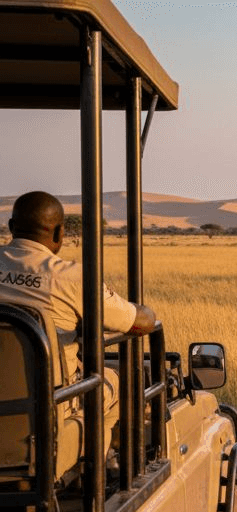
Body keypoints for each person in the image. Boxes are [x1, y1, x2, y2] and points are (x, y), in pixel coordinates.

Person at [1, 191, 156, 471]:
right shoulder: (71, 277)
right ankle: (98, 469)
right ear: (60, 232)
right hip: (47, 411)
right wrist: (146, 312)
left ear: (12, 228)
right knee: (113, 380)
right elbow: (138, 322)